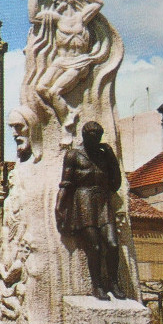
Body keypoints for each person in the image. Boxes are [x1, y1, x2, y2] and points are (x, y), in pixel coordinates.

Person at [27, 0, 106, 141]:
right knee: (40, 88)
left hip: (78, 62)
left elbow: (98, 3)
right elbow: (33, 17)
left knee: (55, 91)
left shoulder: (81, 17)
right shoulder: (56, 18)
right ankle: (67, 111)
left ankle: (67, 125)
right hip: (61, 61)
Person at [55, 120, 125, 299]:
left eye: (98, 139)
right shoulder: (73, 155)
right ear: (85, 138)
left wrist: (111, 156)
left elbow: (115, 184)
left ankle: (113, 282)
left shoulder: (103, 158)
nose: (95, 142)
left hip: (103, 202)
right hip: (83, 201)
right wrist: (60, 205)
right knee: (94, 246)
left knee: (113, 244)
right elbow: (66, 183)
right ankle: (97, 285)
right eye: (92, 139)